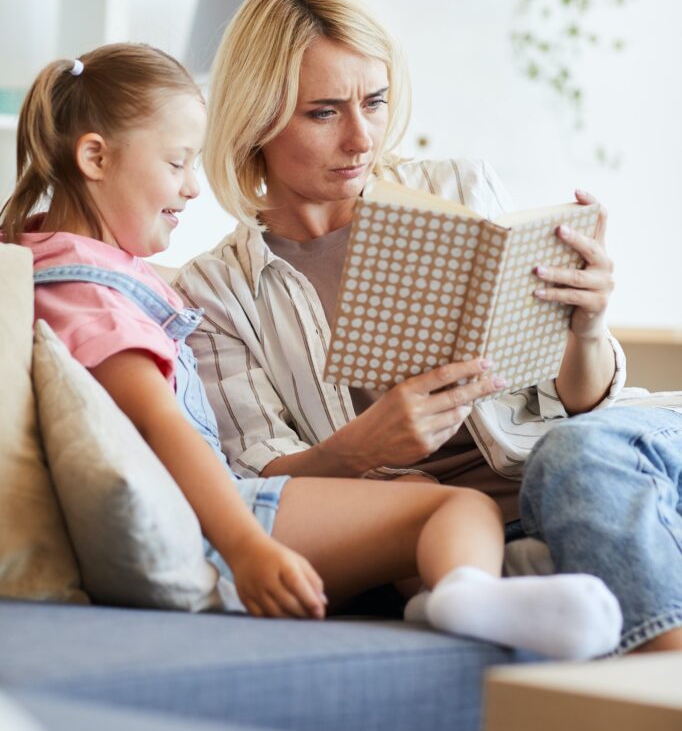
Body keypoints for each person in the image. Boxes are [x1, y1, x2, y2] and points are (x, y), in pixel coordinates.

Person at [0, 42, 623, 660]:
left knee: (507, 487)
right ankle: (471, 594)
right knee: (453, 508)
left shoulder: (80, 266)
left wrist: (582, 328)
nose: (192, 189)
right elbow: (165, 428)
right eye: (176, 163)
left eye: (374, 103)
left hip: (240, 506)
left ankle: (470, 591)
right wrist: (248, 549)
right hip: (222, 516)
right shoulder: (99, 291)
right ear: (95, 158)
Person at [175, 0, 682, 654]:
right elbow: (254, 483)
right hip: (482, 523)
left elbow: (581, 404)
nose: (361, 138)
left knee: (576, 456)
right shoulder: (217, 290)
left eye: (375, 102)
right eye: (323, 112)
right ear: (256, 118)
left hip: (593, 451)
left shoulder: (456, 189)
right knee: (538, 545)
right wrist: (359, 450)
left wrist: (586, 329)